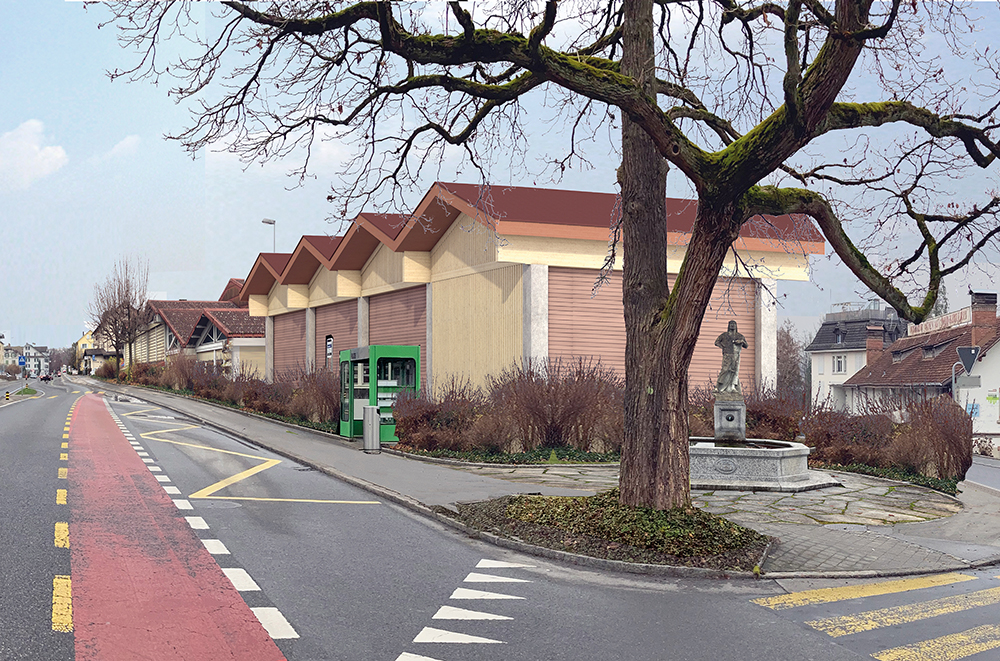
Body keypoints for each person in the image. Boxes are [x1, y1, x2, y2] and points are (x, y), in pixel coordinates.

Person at [714, 320, 748, 395]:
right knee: (725, 370)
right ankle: (718, 386)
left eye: (734, 324)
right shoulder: (724, 335)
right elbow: (716, 342)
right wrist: (723, 347)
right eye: (731, 324)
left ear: (736, 326)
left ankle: (733, 386)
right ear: (728, 325)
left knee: (735, 371)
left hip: (736, 355)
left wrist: (741, 341)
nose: (732, 325)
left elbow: (746, 345)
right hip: (727, 355)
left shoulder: (739, 336)